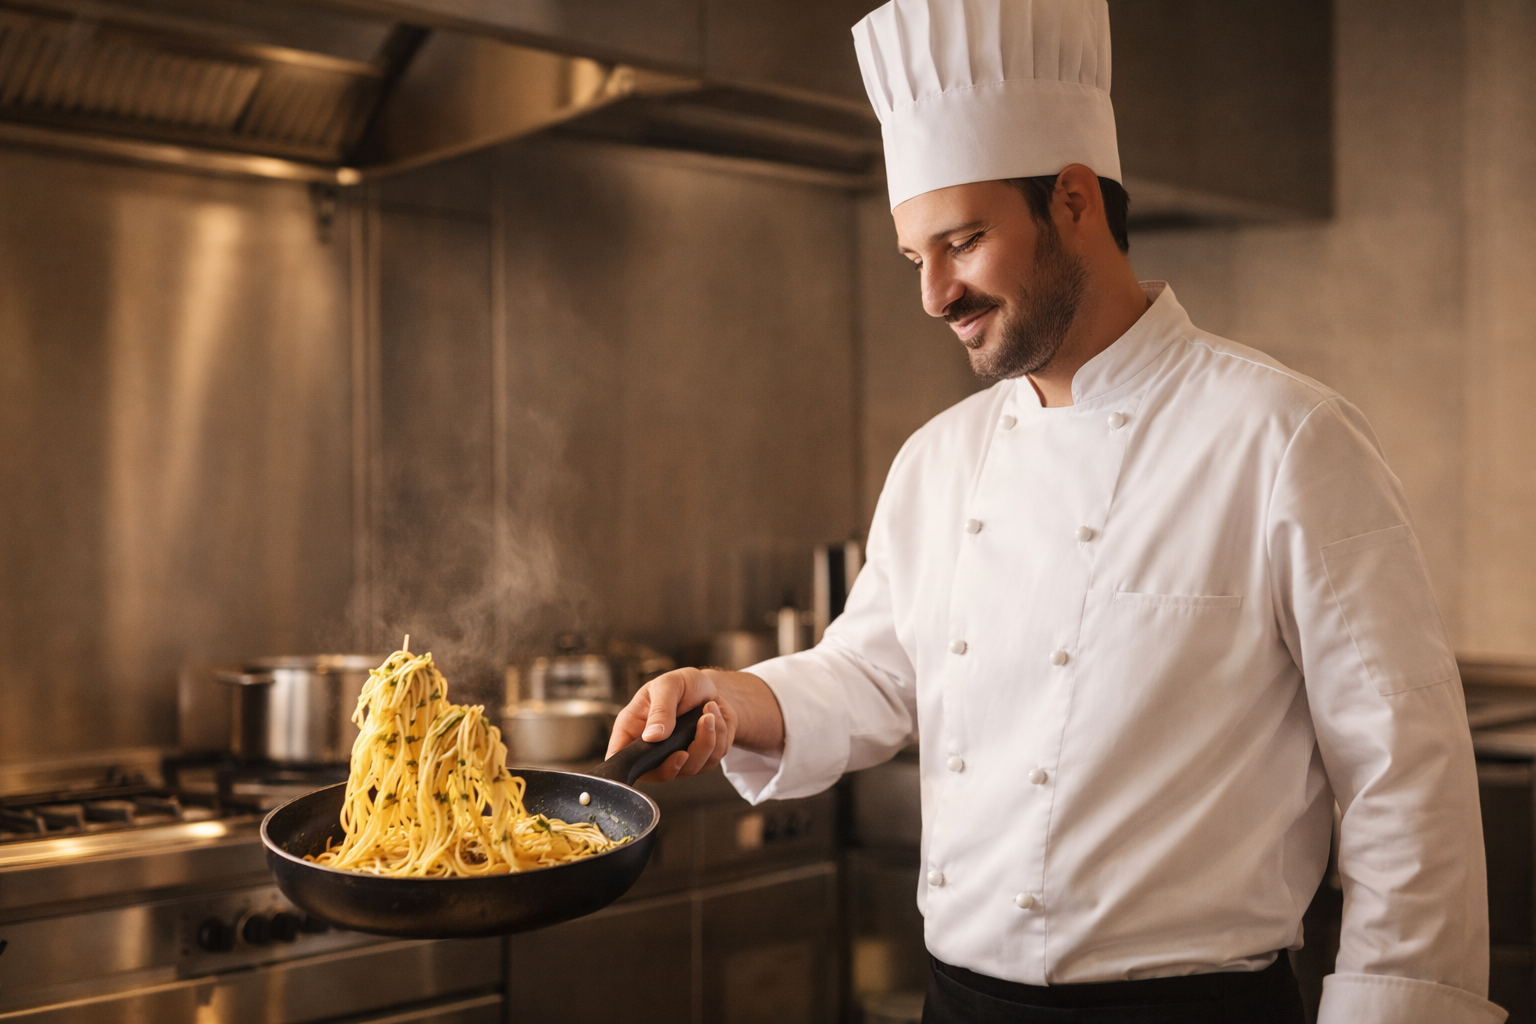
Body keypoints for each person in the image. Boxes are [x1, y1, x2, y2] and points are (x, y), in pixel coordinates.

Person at [607, 1, 1503, 1021]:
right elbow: (873, 672)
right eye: (916, 259)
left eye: (963, 242)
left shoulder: (1284, 437)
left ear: (1073, 198)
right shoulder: (940, 459)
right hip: (961, 1003)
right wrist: (731, 698)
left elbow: (1404, 779)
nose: (935, 294)